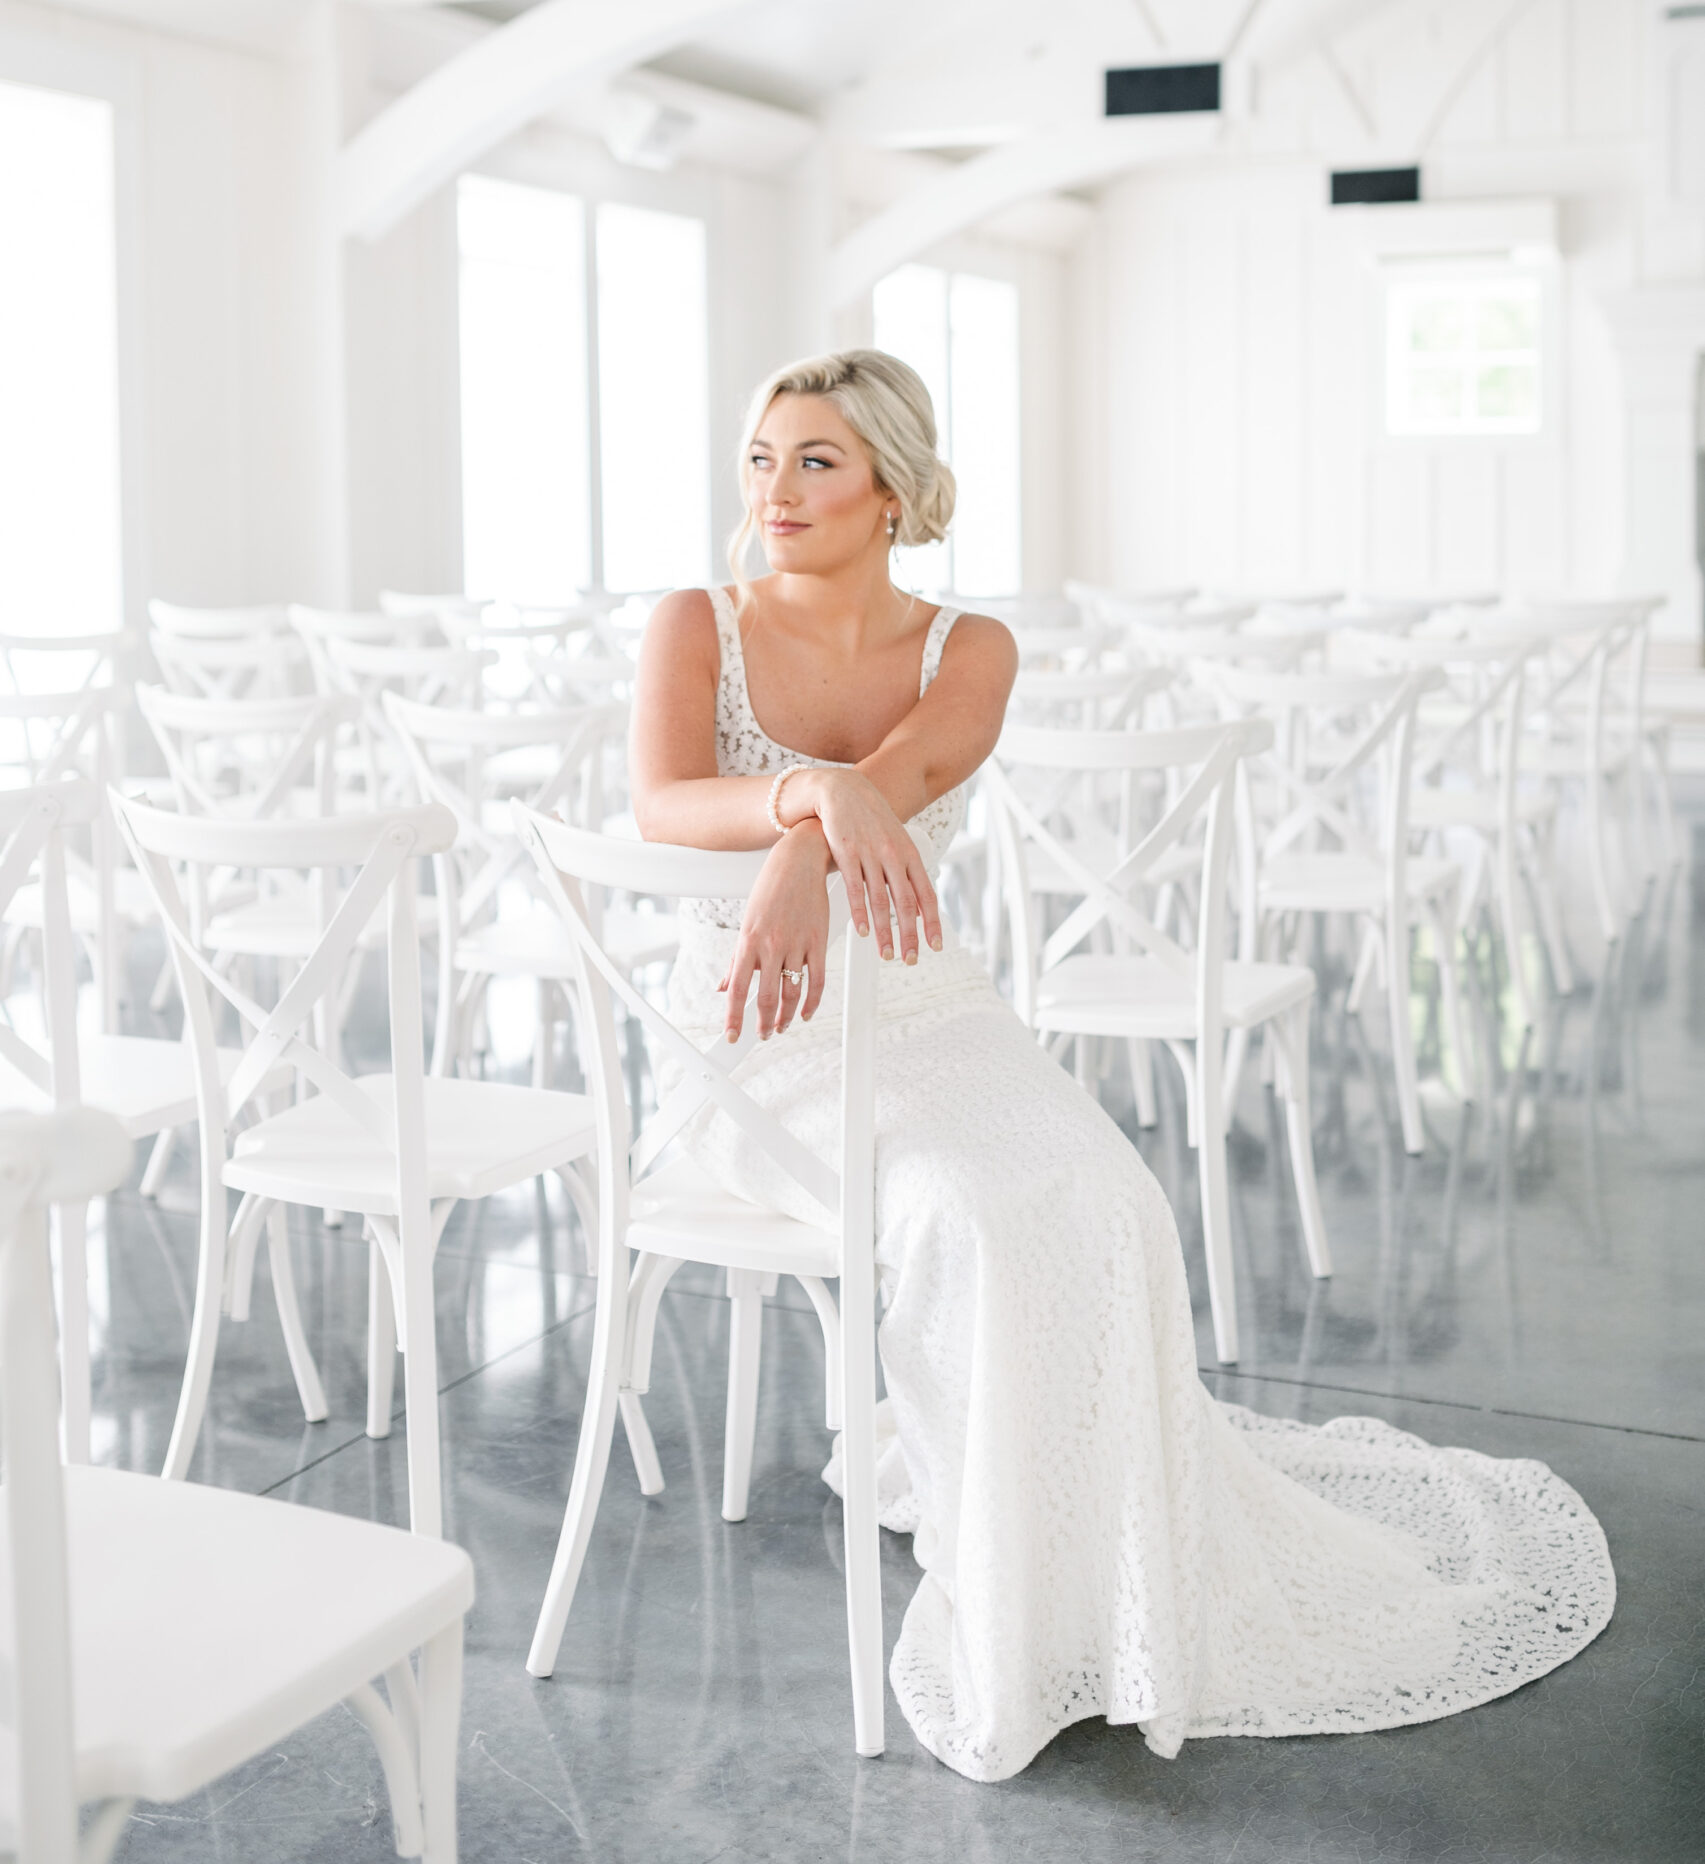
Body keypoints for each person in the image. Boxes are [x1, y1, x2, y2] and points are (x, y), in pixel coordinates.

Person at [629, 347, 1613, 1785]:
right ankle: (1016, 1600)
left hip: (928, 1012)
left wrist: (816, 814)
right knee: (965, 1216)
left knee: (1107, 1200)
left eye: (816, 460)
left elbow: (901, 779)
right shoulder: (691, 622)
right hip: (754, 1035)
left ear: (892, 484)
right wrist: (805, 789)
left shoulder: (970, 649)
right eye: (762, 457)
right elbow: (660, 803)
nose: (775, 488)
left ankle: (1103, 1574)